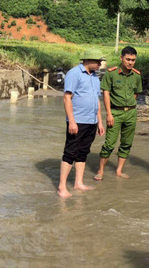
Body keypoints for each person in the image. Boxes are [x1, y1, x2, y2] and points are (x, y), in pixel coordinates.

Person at [57, 48, 105, 198]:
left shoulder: (95, 77)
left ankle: (78, 183)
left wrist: (100, 121)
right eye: (97, 62)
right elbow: (67, 98)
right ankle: (62, 187)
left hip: (91, 120)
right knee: (70, 152)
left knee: (83, 152)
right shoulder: (74, 74)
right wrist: (71, 121)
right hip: (77, 121)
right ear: (88, 60)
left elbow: (96, 100)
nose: (99, 64)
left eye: (100, 62)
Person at [94, 46, 143, 180]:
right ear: (121, 58)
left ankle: (119, 171)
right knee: (109, 143)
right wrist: (109, 114)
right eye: (128, 59)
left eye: (133, 60)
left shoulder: (137, 75)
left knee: (126, 143)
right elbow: (105, 94)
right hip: (115, 113)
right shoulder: (111, 73)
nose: (130, 62)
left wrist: (128, 107)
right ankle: (101, 171)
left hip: (131, 113)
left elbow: (136, 94)